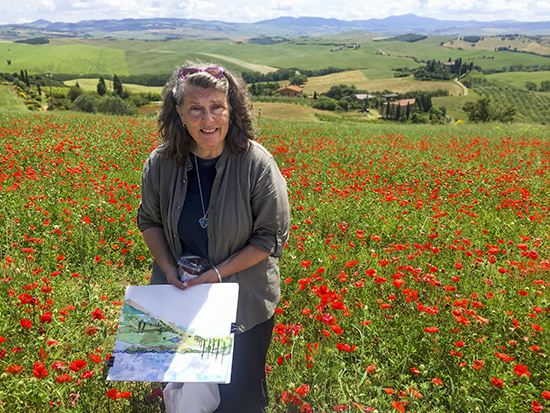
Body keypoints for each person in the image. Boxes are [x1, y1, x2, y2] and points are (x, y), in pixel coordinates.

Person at [138, 62, 290, 413]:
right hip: (181, 298)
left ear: (231, 109)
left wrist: (217, 275)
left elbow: (270, 238)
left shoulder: (257, 164)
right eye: (196, 108)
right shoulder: (160, 163)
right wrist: (169, 270)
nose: (208, 120)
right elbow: (150, 221)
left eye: (217, 107)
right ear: (179, 113)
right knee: (182, 395)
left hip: (243, 302)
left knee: (240, 399)